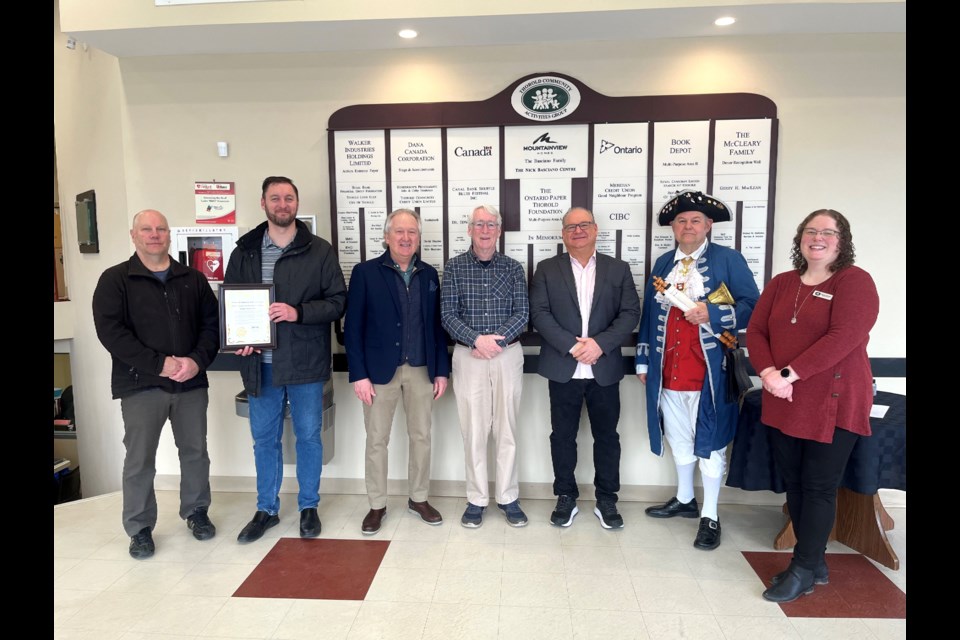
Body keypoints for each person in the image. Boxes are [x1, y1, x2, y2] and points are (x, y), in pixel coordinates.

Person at [747, 209, 878, 602]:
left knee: (819, 488)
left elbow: (845, 336)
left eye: (828, 232)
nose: (817, 238)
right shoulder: (782, 282)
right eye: (810, 231)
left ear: (842, 240)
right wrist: (770, 373)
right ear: (800, 238)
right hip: (785, 400)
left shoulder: (854, 281)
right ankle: (814, 560)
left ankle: (803, 569)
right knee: (796, 485)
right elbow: (755, 330)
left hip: (833, 402)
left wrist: (786, 375)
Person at [224, 176, 346, 543]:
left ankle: (309, 506)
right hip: (260, 366)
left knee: (309, 436)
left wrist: (298, 312)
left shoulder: (319, 251)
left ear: (296, 203)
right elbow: (230, 304)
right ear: (263, 203)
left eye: (288, 198)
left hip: (306, 364)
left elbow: (339, 301)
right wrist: (239, 341)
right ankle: (267, 509)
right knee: (264, 439)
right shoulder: (243, 251)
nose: (282, 204)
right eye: (275, 198)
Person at [93, 209, 220, 559]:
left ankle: (196, 512)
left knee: (195, 452)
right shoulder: (115, 280)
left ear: (169, 235)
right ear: (133, 236)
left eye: (160, 229)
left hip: (190, 384)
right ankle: (139, 528)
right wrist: (159, 365)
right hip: (141, 385)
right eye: (146, 229)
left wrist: (195, 361)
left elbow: (212, 326)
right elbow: (112, 333)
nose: (154, 234)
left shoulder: (193, 279)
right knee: (140, 459)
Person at [636, 190, 759, 550]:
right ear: (673, 228)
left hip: (710, 373)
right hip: (667, 371)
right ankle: (686, 499)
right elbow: (648, 316)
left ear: (708, 226)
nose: (687, 226)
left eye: (695, 221)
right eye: (681, 221)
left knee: (711, 443)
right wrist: (644, 360)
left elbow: (753, 304)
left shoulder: (727, 260)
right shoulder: (662, 263)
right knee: (678, 438)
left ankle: (711, 515)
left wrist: (713, 313)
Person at [530, 207, 641, 529]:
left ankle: (607, 498)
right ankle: (565, 496)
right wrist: (573, 345)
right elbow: (539, 313)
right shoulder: (547, 269)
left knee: (607, 436)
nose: (577, 231)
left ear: (595, 229)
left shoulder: (617, 269)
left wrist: (599, 345)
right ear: (563, 234)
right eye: (570, 227)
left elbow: (630, 313)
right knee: (562, 436)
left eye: (584, 225)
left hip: (603, 367)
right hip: (563, 366)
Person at [345, 208, 451, 535]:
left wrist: (441, 371)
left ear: (419, 238)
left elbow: (436, 326)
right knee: (377, 440)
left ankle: (418, 498)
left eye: (412, 233)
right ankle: (377, 504)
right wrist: (358, 374)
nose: (406, 238)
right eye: (400, 232)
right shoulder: (366, 273)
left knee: (421, 436)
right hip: (378, 374)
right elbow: (353, 328)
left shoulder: (429, 274)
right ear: (387, 236)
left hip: (421, 369)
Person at [441, 204, 529, 528]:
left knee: (507, 429)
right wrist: (477, 340)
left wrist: (496, 342)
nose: (485, 229)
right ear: (469, 229)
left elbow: (522, 313)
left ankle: (508, 497)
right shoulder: (453, 268)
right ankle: (477, 499)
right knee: (474, 431)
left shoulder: (513, 268)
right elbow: (448, 315)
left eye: (491, 224)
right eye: (479, 224)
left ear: (499, 230)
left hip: (507, 356)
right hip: (469, 357)